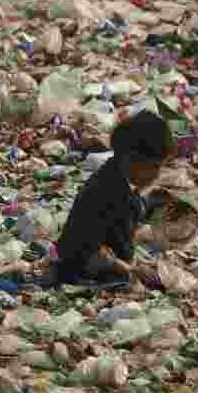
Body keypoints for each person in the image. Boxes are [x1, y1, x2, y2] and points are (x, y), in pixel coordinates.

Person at [55, 110, 178, 284]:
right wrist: (129, 269)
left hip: (111, 259)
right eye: (154, 166)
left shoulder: (120, 181)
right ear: (131, 159)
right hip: (82, 267)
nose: (157, 174)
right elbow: (85, 246)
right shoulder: (105, 189)